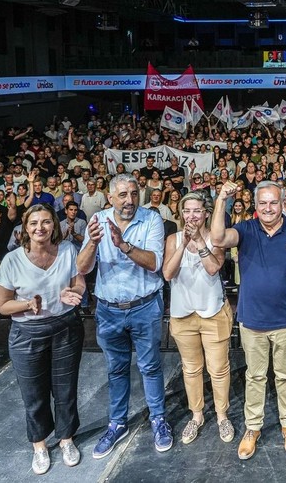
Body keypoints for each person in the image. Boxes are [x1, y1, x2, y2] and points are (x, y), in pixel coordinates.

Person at [211, 181, 286, 459]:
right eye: (262, 203)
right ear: (255, 206)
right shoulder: (245, 230)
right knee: (255, 377)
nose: (268, 208)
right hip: (252, 321)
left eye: (273, 202)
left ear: (283, 204)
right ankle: (253, 427)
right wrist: (222, 199)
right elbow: (218, 239)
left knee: (285, 375)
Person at [76, 174, 172, 458]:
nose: (129, 200)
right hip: (108, 310)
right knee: (116, 369)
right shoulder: (97, 222)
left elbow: (155, 263)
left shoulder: (151, 219)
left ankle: (158, 420)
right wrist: (93, 243)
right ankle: (117, 424)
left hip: (145, 306)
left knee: (150, 366)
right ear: (110, 197)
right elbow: (82, 267)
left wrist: (123, 246)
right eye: (123, 195)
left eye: (133, 193)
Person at [0, 204, 85, 474]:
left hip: (66, 327)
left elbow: (79, 282)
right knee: (34, 395)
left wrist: (74, 292)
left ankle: (66, 439)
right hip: (27, 334)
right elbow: (1, 305)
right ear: (25, 228)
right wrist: (25, 305)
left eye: (46, 222)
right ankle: (40, 445)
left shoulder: (68, 250)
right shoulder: (12, 260)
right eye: (34, 223)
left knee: (65, 391)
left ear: (54, 226)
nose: (40, 228)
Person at [162, 193, 234, 447]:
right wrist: (183, 243)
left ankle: (222, 416)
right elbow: (168, 273)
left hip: (213, 313)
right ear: (182, 214)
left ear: (206, 214)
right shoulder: (172, 239)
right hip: (183, 316)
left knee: (218, 369)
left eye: (197, 211)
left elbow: (213, 268)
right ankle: (197, 415)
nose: (192, 216)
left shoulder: (215, 238)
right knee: (191, 369)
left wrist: (199, 242)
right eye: (187, 211)